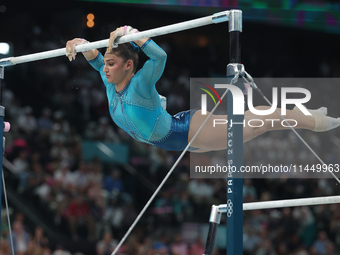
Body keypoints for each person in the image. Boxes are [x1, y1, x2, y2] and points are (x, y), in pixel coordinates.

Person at [66, 26, 340, 153]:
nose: (105, 68)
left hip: (187, 131)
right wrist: (79, 43)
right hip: (177, 142)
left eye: (112, 64)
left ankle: (317, 121)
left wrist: (134, 34)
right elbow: (95, 57)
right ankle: (309, 114)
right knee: (255, 121)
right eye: (106, 65)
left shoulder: (141, 83)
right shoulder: (110, 84)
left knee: (258, 122)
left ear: (129, 65)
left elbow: (159, 57)